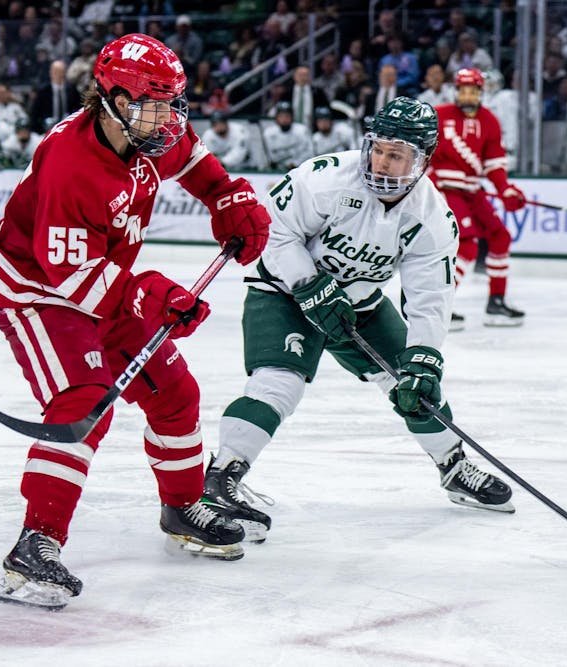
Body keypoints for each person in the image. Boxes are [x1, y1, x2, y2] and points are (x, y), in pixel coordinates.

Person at [0, 33, 271, 609]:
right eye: (153, 103)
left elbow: (192, 158)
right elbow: (73, 280)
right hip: (40, 295)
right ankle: (34, 545)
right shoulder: (70, 163)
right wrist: (149, 294)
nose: (167, 118)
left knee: (173, 391)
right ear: (112, 97)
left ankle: (183, 506)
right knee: (83, 401)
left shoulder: (146, 130)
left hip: (105, 286)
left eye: (172, 103)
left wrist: (226, 197)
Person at [201, 97, 514, 543]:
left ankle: (453, 465)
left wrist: (424, 356)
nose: (383, 163)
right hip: (286, 293)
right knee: (280, 382)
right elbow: (272, 228)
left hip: (359, 305)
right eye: (379, 149)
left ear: (423, 160)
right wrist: (309, 284)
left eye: (397, 154)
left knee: (416, 384)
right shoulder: (326, 177)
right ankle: (219, 479)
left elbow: (430, 296)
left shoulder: (433, 219)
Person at [428, 68, 526, 330]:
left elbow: (494, 164)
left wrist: (506, 189)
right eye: (463, 90)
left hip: (472, 191)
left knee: (500, 236)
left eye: (473, 91)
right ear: (456, 91)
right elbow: (424, 154)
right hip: (446, 191)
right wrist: (430, 180)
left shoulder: (489, 121)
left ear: (481, 93)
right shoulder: (440, 115)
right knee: (467, 245)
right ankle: (439, 307)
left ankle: (496, 302)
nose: (468, 95)